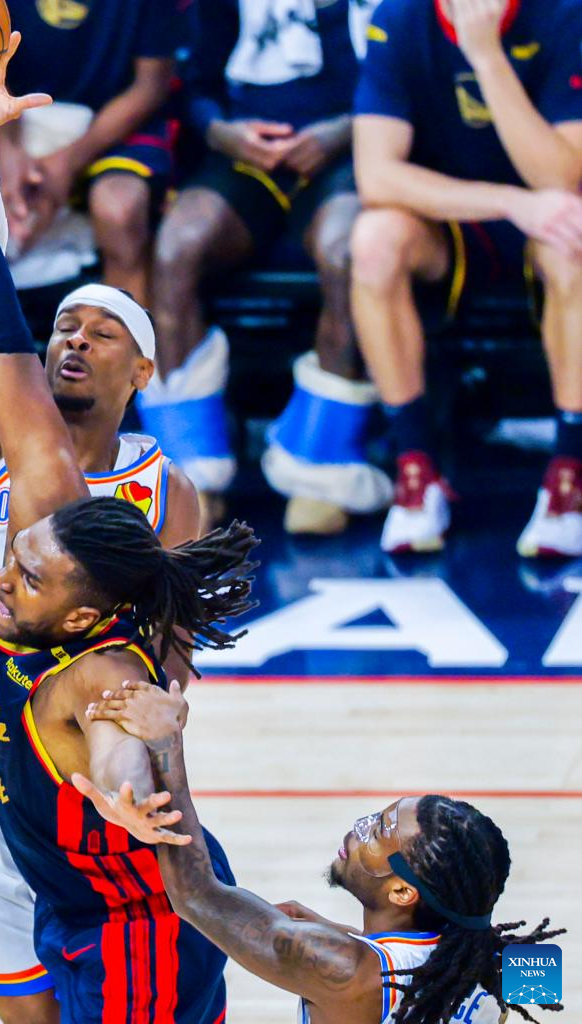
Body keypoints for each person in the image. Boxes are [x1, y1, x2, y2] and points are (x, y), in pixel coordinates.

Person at [0, 62, 258, 1023]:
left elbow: (149, 670)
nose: (74, 341)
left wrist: (138, 755)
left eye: (102, 331)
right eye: (65, 327)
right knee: (26, 1005)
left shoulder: (160, 493)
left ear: (145, 369)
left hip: (70, 775)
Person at [77, 679, 565, 1024]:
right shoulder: (491, 956)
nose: (358, 830)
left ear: (402, 892)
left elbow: (196, 896)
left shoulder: (344, 969)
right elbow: (547, 979)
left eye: (377, 833)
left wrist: (165, 745)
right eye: (377, 817)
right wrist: (347, 935)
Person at [140, 0, 391, 534]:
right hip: (245, 156)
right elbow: (196, 85)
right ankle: (193, 477)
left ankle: (319, 469)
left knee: (346, 252)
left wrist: (343, 131)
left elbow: (413, 82)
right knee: (176, 249)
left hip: (354, 152)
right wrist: (221, 133)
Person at [351, 0, 582, 556]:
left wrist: (487, 57)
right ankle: (416, 472)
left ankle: (569, 477)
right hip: (451, 219)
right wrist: (508, 202)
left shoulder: (565, 14)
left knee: (574, 243)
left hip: (549, 220)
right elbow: (376, 176)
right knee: (373, 240)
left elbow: (561, 177)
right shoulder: (400, 18)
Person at [0, 0, 180, 304]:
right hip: (8, 114)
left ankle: (121, 331)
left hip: (113, 122)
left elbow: (150, 86)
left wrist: (67, 162)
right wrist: (7, 149)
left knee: (120, 211)